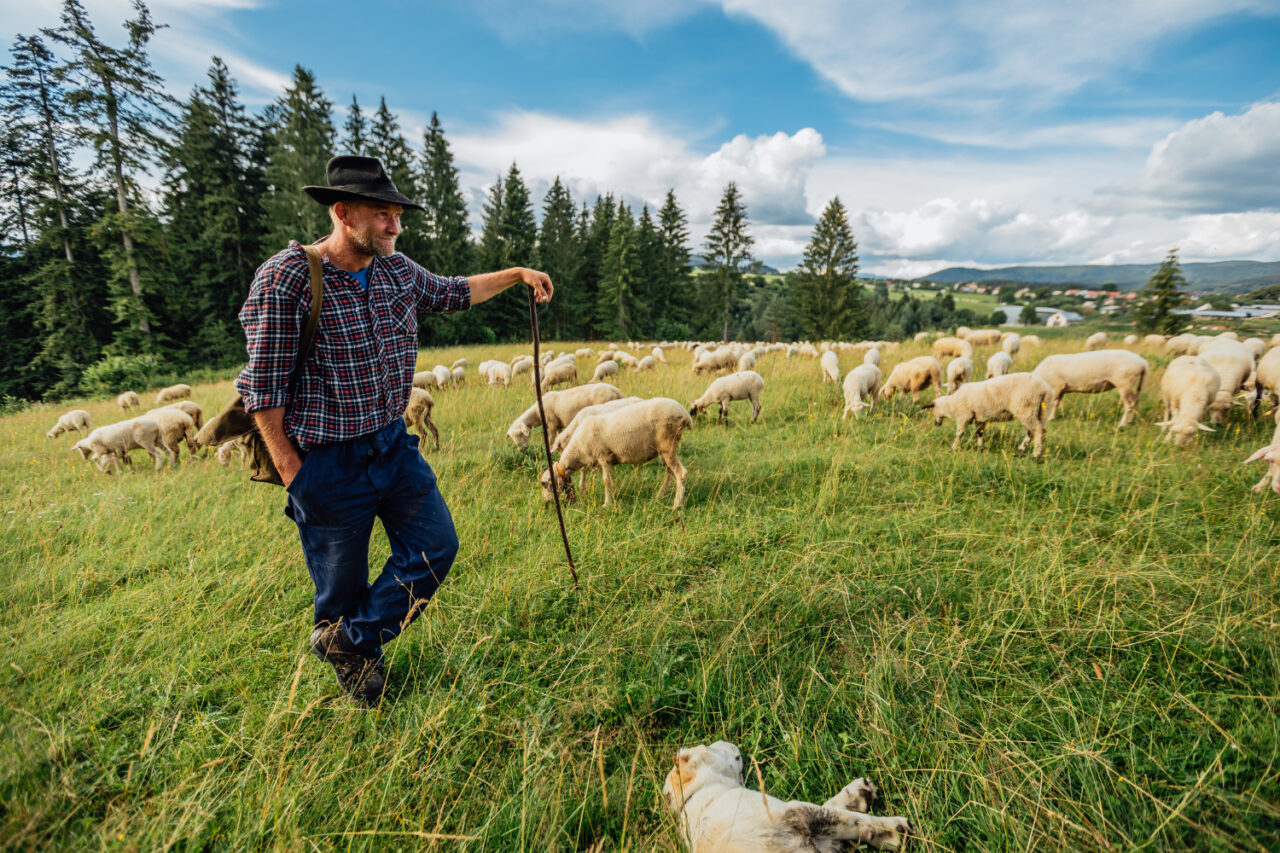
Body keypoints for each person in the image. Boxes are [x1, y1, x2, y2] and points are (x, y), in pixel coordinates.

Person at [235, 155, 552, 705]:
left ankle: (349, 641)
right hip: (327, 462)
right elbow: (262, 389)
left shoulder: (397, 272)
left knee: (435, 547)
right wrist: (295, 474)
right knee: (343, 584)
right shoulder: (288, 277)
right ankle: (366, 689)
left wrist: (518, 274)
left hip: (392, 444)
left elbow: (456, 291)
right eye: (382, 215)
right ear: (342, 212)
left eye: (398, 215)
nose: (395, 226)